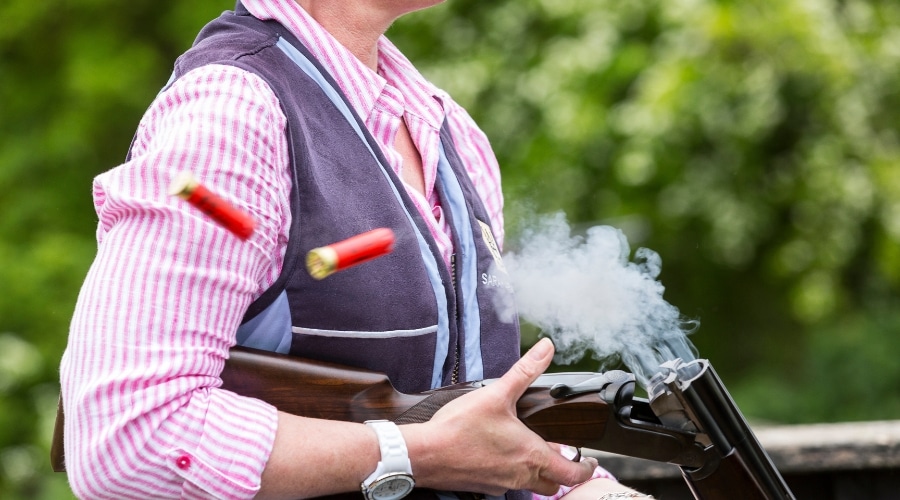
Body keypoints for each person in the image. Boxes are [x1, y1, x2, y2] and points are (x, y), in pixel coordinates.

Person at [59, 1, 652, 499]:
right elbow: (127, 437)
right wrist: (414, 453)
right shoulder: (233, 112)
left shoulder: (452, 133)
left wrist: (585, 486)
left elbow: (478, 423)